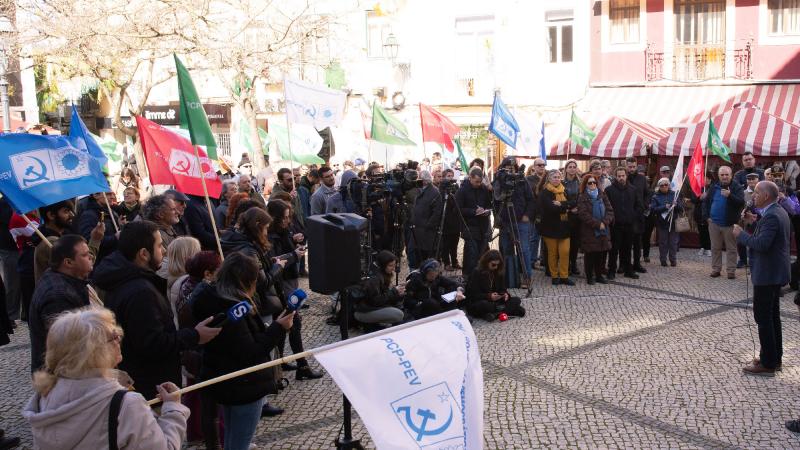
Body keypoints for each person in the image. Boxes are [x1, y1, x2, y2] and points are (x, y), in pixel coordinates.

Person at [23, 307, 189, 449]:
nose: (119, 338)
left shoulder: (45, 396)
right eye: (114, 336)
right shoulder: (126, 404)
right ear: (95, 351)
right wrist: (173, 409)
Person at [93, 220, 221, 400]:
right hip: (153, 388)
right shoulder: (140, 291)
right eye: (160, 246)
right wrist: (195, 335)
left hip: (145, 382)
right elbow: (152, 343)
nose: (165, 251)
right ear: (144, 254)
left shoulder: (126, 281)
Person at [191, 252, 295, 450]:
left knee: (232, 437)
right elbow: (250, 352)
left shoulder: (210, 297)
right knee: (239, 443)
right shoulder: (233, 308)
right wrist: (279, 328)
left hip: (225, 380)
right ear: (248, 282)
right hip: (244, 385)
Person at [734, 181, 791, 377]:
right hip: (774, 272)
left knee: (764, 317)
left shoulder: (773, 215)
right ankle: (774, 357)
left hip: (768, 274)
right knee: (772, 316)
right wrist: (753, 221)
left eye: (756, 193)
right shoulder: (776, 211)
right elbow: (766, 233)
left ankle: (768, 364)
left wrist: (741, 234)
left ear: (766, 196)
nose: (753, 196)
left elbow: (763, 244)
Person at [266, 200, 322, 380]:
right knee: (292, 322)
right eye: (284, 217)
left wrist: (294, 242)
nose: (287, 221)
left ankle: (281, 362)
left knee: (285, 322)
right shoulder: (270, 236)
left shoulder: (283, 233)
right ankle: (302, 366)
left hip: (289, 279)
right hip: (281, 283)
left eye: (288, 217)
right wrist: (293, 255)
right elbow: (275, 261)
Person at [28, 235, 98, 373]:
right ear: (68, 263)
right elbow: (67, 346)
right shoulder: (58, 296)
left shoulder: (69, 279)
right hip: (61, 375)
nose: (91, 257)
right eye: (85, 255)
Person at [493, 157, 535, 286]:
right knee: (507, 249)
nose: (510, 170)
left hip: (521, 221)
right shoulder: (499, 180)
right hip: (506, 221)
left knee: (523, 249)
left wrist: (527, 215)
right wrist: (498, 218)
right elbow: (495, 201)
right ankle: (509, 277)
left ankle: (527, 277)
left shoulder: (522, 180)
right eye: (507, 167)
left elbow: (531, 199)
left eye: (512, 168)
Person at [703, 166, 745, 279]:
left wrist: (730, 195)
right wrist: (706, 217)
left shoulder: (736, 187)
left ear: (731, 175)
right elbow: (706, 202)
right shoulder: (714, 187)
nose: (724, 177)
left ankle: (731, 271)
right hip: (714, 223)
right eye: (722, 175)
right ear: (719, 176)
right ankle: (716, 269)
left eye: (727, 175)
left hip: (729, 224)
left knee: (731, 248)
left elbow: (741, 202)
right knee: (715, 247)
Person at [605, 166, 643, 280]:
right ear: (615, 177)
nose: (621, 178)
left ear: (626, 176)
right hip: (615, 225)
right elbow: (607, 207)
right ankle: (611, 270)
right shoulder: (609, 190)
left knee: (627, 249)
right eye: (619, 176)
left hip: (629, 224)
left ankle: (628, 270)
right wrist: (611, 219)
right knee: (613, 249)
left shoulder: (633, 189)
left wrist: (633, 216)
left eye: (623, 176)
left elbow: (639, 206)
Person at [464, 249, 525, 321]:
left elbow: (502, 289)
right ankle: (504, 311)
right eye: (493, 265)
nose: (496, 267)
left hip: (495, 302)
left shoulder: (498, 272)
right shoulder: (477, 272)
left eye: (498, 265)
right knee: (485, 305)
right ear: (487, 262)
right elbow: (472, 295)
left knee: (517, 300)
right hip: (481, 302)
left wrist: (505, 295)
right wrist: (489, 296)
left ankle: (495, 314)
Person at [537, 170, 574, 286]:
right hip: (550, 227)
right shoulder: (545, 193)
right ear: (549, 178)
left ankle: (564, 276)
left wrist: (562, 205)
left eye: (558, 177)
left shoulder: (565, 190)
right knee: (552, 253)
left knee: (565, 252)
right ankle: (554, 275)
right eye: (554, 177)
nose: (557, 179)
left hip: (564, 227)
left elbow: (573, 202)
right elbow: (551, 209)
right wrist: (566, 208)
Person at [456, 167, 492, 279]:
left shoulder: (484, 189)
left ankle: (482, 276)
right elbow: (457, 209)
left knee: (483, 252)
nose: (478, 184)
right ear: (470, 178)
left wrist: (486, 211)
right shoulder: (462, 191)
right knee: (471, 253)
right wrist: (473, 211)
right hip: (469, 226)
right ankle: (468, 276)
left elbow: (489, 204)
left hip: (483, 225)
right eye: (476, 181)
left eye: (480, 181)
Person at [577, 174, 613, 285]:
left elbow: (610, 210)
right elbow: (583, 215)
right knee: (590, 255)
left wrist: (605, 222)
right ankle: (589, 276)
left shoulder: (602, 195)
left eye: (594, 182)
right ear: (585, 184)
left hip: (603, 229)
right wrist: (598, 224)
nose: (592, 184)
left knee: (601, 254)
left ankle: (599, 275)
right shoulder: (582, 197)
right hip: (590, 231)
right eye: (590, 183)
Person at [356, 250, 405, 328]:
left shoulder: (381, 273)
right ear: (383, 265)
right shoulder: (374, 278)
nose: (393, 268)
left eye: (394, 265)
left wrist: (397, 292)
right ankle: (370, 325)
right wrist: (394, 292)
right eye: (390, 265)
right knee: (398, 315)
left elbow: (385, 294)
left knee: (400, 306)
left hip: (371, 307)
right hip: (364, 311)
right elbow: (375, 301)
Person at [160, 237, 201, 320]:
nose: (201, 255)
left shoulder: (168, 276)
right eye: (198, 253)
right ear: (187, 258)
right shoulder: (186, 282)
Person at [76, 192, 119, 263]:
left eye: (113, 194)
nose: (113, 197)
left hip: (113, 259)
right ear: (96, 195)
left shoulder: (112, 212)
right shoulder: (89, 215)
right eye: (108, 194)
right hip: (100, 262)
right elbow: (88, 240)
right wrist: (114, 238)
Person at [650, 178, 684, 267]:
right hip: (662, 223)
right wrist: (664, 207)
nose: (664, 186)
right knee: (663, 243)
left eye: (666, 184)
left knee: (673, 243)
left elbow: (681, 208)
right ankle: (663, 260)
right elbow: (653, 209)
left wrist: (676, 205)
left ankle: (673, 259)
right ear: (659, 186)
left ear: (669, 185)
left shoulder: (674, 194)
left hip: (673, 223)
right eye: (662, 185)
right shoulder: (655, 196)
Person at [411, 170, 443, 263]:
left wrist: (427, 226)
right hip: (418, 229)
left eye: (419, 179)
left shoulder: (434, 192)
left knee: (426, 256)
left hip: (426, 231)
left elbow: (436, 213)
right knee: (417, 255)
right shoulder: (420, 190)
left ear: (424, 180)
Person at [625, 158, 648, 273]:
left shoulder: (642, 179)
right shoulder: (623, 178)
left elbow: (647, 194)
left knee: (638, 243)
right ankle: (625, 264)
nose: (632, 169)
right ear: (626, 166)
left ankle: (637, 264)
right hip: (626, 214)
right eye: (630, 167)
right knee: (626, 242)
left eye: (634, 167)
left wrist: (644, 205)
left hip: (639, 215)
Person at [0, 197, 22, 322]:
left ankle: (22, 313)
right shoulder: (4, 203)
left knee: (21, 282)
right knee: (12, 283)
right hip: (9, 248)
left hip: (19, 246)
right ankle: (10, 316)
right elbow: (9, 221)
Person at [526, 157, 547, 269]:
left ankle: (544, 260)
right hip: (534, 213)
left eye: (543, 165)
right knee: (534, 238)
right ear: (534, 167)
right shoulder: (529, 179)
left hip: (547, 213)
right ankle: (532, 261)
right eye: (539, 165)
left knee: (546, 239)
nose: (542, 167)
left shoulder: (548, 178)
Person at [439, 168, 461, 271]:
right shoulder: (441, 187)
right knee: (446, 243)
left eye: (452, 176)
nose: (450, 178)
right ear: (444, 177)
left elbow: (458, 199)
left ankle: (455, 261)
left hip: (455, 219)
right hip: (445, 219)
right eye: (448, 176)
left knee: (454, 243)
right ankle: (446, 262)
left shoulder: (455, 186)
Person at [563, 159, 582, 275]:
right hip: (566, 215)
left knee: (575, 243)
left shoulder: (580, 182)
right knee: (566, 243)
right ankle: (566, 265)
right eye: (570, 167)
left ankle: (574, 264)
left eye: (574, 167)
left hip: (577, 216)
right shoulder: (561, 183)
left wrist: (579, 208)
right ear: (566, 169)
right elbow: (560, 199)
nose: (572, 169)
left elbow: (583, 197)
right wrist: (570, 209)